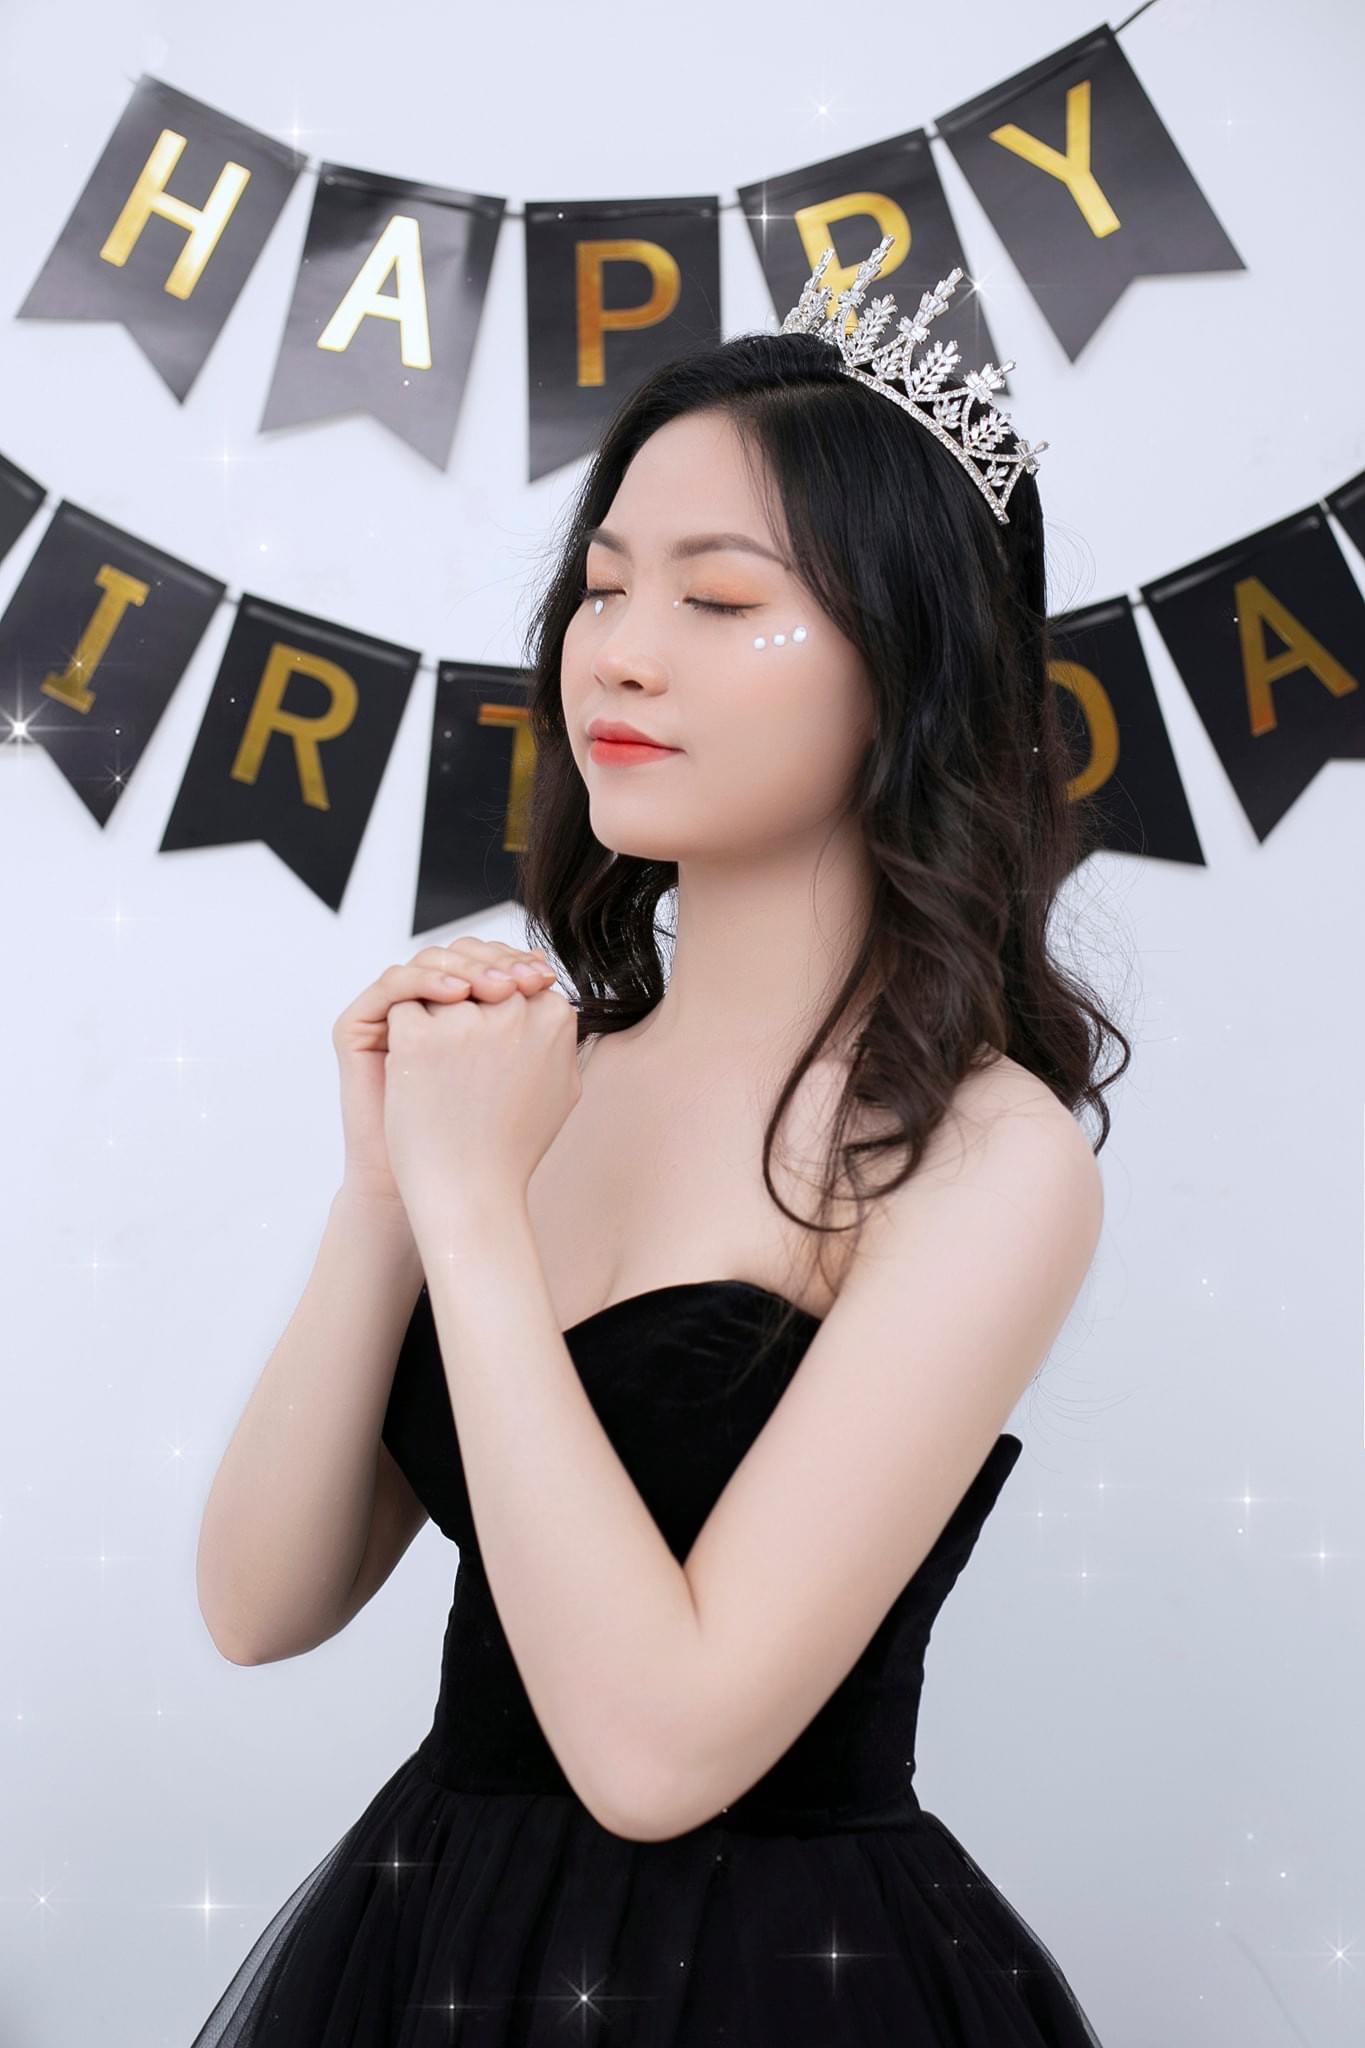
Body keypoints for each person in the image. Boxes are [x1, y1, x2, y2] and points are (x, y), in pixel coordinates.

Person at [192, 240, 1128, 2045]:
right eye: (603, 586)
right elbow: (260, 1601)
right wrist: (387, 1191)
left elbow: (655, 1754)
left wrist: (474, 1215)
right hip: (432, 1939)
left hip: (770, 1978)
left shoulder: (980, 1157)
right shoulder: (546, 1078)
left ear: (909, 663)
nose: (618, 653)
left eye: (718, 600)